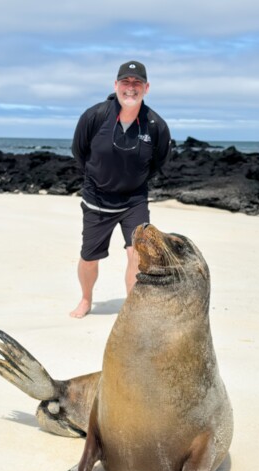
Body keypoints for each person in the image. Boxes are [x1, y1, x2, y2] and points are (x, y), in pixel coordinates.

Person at [70, 60, 171, 318]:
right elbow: (79, 152)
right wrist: (98, 178)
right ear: (116, 85)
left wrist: (132, 181)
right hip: (97, 199)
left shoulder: (156, 125)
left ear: (146, 88)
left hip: (134, 200)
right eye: (125, 82)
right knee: (89, 256)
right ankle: (85, 299)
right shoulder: (95, 116)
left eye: (137, 83)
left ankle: (133, 312)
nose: (131, 88)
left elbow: (158, 161)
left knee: (137, 254)